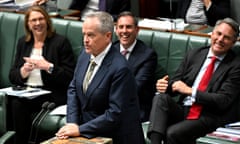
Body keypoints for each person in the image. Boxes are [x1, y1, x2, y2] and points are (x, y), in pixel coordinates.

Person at [55, 11, 145, 144]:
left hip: (115, 137)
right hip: (87, 133)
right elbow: (73, 88)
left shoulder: (121, 68)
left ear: (108, 36)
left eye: (91, 35)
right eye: (84, 34)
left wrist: (80, 129)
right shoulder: (84, 55)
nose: (85, 40)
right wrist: (72, 123)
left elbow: (115, 114)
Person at [147, 17, 240, 144]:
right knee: (160, 98)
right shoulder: (195, 54)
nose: (220, 40)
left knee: (172, 133)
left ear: (233, 42)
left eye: (226, 37)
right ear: (212, 34)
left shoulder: (236, 65)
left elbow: (223, 101)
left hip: (208, 115)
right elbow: (175, 81)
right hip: (184, 108)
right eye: (218, 34)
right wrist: (166, 85)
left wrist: (191, 91)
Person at [8, 6, 75, 144]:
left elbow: (69, 77)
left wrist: (48, 66)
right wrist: (23, 71)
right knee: (10, 101)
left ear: (47, 21)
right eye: (33, 20)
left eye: (41, 19)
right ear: (28, 24)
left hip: (50, 93)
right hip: (26, 92)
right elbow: (12, 75)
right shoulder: (23, 43)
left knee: (17, 105)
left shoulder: (60, 42)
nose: (37, 23)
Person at [113, 11, 157, 122]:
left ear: (137, 30)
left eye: (128, 27)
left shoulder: (147, 55)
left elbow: (135, 88)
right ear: (116, 29)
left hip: (134, 107)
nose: (124, 31)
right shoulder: (110, 50)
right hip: (109, 104)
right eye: (121, 27)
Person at [34, 0, 130, 21]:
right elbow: (73, 8)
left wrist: (103, 18)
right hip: (81, 21)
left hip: (103, 24)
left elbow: (124, 16)